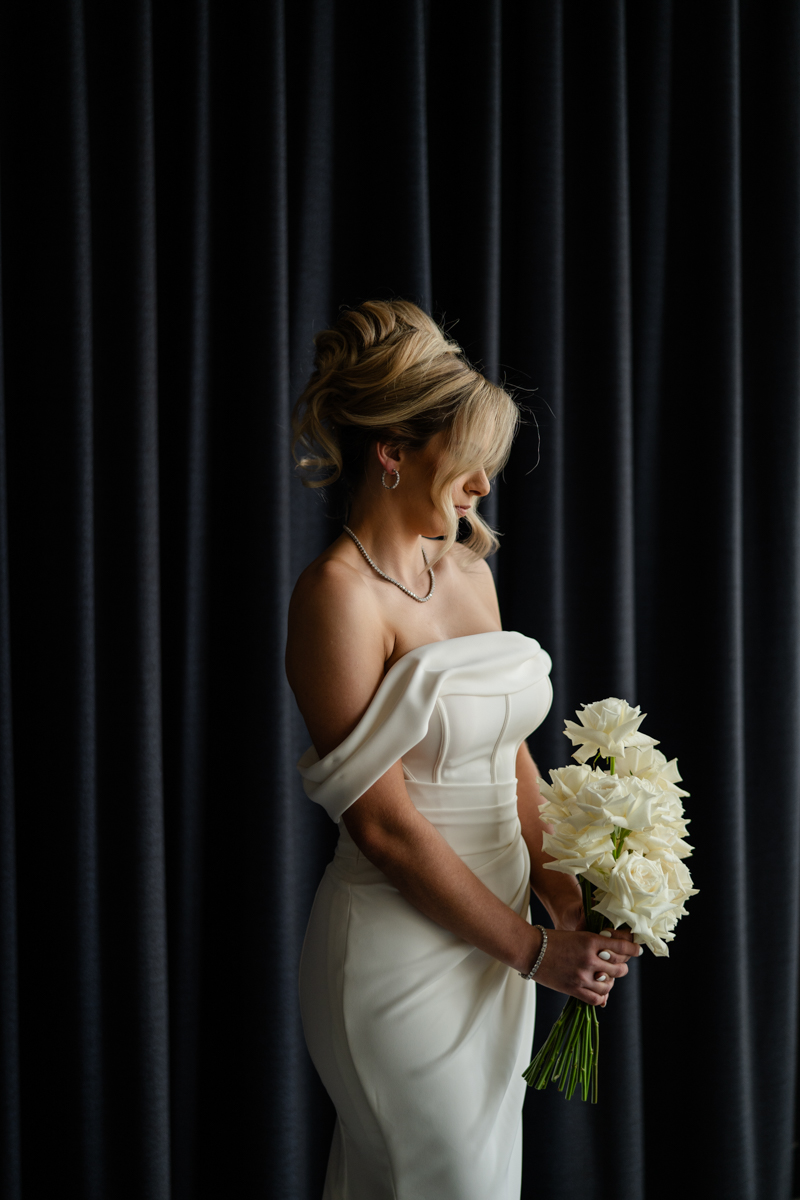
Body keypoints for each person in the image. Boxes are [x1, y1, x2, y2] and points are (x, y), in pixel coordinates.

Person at [285, 300, 639, 1200]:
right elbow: (386, 829)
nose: (483, 485)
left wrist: (563, 895)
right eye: (466, 459)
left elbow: (510, 754)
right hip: (401, 955)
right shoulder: (337, 599)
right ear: (392, 452)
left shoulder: (467, 570)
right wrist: (530, 948)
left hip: (499, 950)